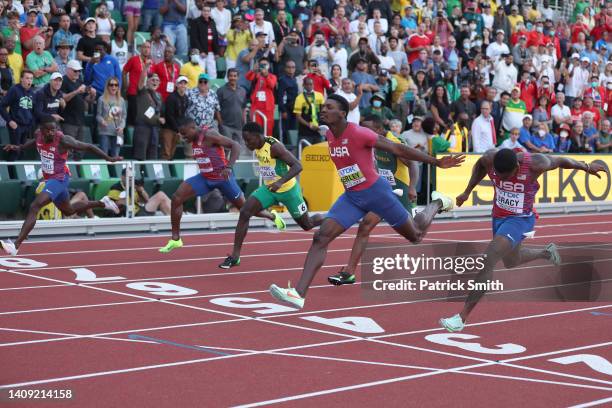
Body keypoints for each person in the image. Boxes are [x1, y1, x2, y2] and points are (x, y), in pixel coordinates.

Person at [268, 94, 465, 308]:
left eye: (329, 107)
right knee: (321, 236)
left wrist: (435, 161)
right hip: (352, 197)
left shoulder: (359, 133)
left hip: (377, 193)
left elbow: (397, 148)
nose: (323, 110)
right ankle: (298, 293)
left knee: (416, 235)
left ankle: (437, 203)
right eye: (322, 107)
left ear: (342, 113)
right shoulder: (330, 136)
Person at [439, 148, 607, 332]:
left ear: (517, 167)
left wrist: (587, 167)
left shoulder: (536, 163)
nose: (501, 181)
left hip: (520, 220)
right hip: (499, 217)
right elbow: (479, 166)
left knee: (489, 259)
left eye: (506, 177)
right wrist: (467, 192)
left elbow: (562, 161)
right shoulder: (489, 158)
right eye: (499, 177)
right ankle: (546, 252)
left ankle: (461, 318)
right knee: (511, 261)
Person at [159, 118, 284, 253]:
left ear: (193, 128)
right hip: (205, 178)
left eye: (184, 134)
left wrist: (229, 167)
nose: (183, 138)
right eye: (181, 134)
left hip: (223, 178)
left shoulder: (209, 135)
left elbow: (236, 145)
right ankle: (176, 239)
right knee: (177, 197)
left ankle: (272, 216)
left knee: (245, 208)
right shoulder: (193, 139)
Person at [0, 120, 122, 255]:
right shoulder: (38, 135)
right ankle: (102, 203)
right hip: (49, 179)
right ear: (41, 130)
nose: (52, 132)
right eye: (49, 130)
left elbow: (88, 147)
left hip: (60, 178)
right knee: (69, 211)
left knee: (35, 206)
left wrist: (108, 158)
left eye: (54, 129)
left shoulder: (63, 140)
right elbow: (34, 142)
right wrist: (20, 147)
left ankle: (15, 245)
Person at [327, 115, 419, 285]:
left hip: (402, 191)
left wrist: (412, 187)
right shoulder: (363, 140)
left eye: (367, 128)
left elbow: (413, 163)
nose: (362, 131)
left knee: (416, 233)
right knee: (365, 225)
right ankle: (349, 273)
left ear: (379, 130)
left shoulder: (393, 141)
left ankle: (439, 203)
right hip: (382, 191)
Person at [219, 122, 325, 269]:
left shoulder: (274, 147)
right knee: (245, 212)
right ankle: (235, 256)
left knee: (307, 224)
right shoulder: (258, 145)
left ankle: (331, 218)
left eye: (248, 140)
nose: (246, 143)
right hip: (269, 189)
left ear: (257, 136)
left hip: (288, 190)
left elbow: (298, 165)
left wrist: (280, 182)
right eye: (244, 140)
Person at [0, 70, 35, 161]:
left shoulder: (32, 93)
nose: (29, 81)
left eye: (31, 79)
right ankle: (11, 174)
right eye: (27, 78)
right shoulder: (15, 90)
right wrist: (10, 121)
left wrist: (30, 124)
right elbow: (2, 106)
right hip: (16, 126)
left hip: (26, 126)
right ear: (21, 79)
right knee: (15, 151)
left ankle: (20, 174)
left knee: (22, 151)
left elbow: (32, 111)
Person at [108, 168, 172, 216]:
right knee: (161, 195)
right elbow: (113, 205)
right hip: (132, 214)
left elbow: (146, 200)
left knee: (161, 195)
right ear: (122, 177)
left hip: (141, 210)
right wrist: (125, 198)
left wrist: (141, 191)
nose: (131, 179)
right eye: (129, 177)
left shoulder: (135, 185)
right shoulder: (115, 188)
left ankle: (173, 220)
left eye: (132, 177)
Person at [97, 77, 127, 157]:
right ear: (107, 86)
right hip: (104, 131)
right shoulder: (101, 99)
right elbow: (98, 115)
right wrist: (102, 121)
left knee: (115, 156)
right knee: (104, 156)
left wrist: (121, 127)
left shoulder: (121, 100)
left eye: (116, 85)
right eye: (111, 85)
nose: (114, 87)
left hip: (117, 132)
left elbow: (124, 116)